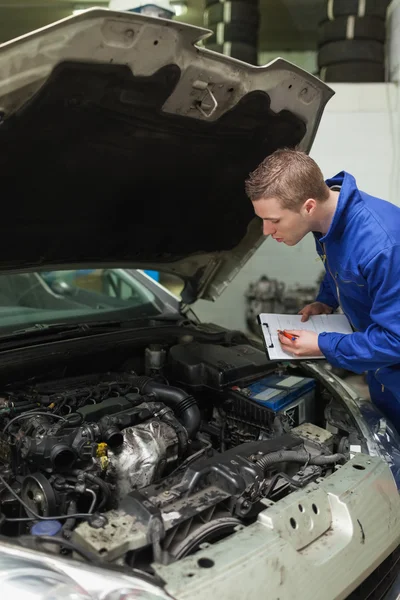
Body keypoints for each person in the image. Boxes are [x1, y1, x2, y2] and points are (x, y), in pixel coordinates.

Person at [244, 148, 400, 432]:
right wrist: (325, 301)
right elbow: (339, 267)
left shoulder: (383, 246)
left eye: (274, 220)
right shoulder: (329, 221)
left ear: (308, 206)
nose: (266, 231)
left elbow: (395, 340)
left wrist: (322, 345)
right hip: (382, 374)